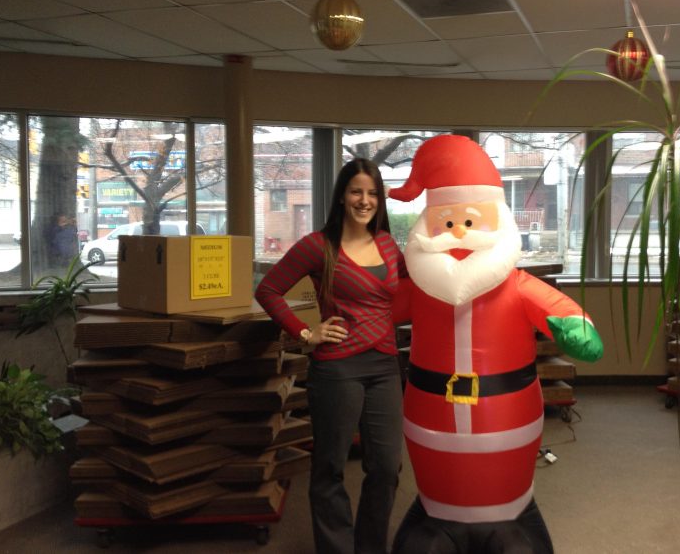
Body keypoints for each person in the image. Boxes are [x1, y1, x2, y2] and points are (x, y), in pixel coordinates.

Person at [388, 135, 604, 554]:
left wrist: (576, 328)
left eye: (470, 223)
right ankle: (436, 513)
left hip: (507, 430)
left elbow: (563, 314)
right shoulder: (420, 289)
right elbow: (377, 311)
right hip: (431, 427)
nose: (458, 233)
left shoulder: (518, 287)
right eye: (446, 223)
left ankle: (511, 515)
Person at [255, 158, 406, 554]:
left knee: (386, 467)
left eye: (373, 193)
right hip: (338, 367)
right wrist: (307, 332)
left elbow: (420, 278)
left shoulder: (388, 244)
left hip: (385, 365)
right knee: (330, 467)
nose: (365, 200)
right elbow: (268, 290)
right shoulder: (318, 245)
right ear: (342, 196)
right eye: (356, 191)